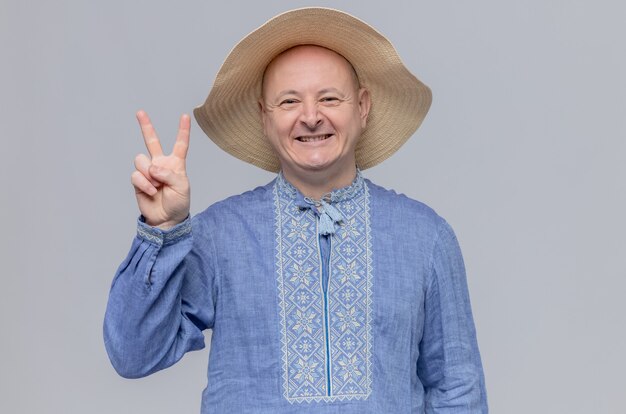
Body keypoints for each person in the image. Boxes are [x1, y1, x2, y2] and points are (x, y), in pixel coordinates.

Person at [103, 7, 488, 413]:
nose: (310, 116)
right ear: (263, 119)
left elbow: (458, 390)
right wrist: (161, 229)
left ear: (362, 107)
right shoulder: (218, 235)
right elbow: (133, 354)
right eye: (289, 101)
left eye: (329, 98)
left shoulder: (426, 237)